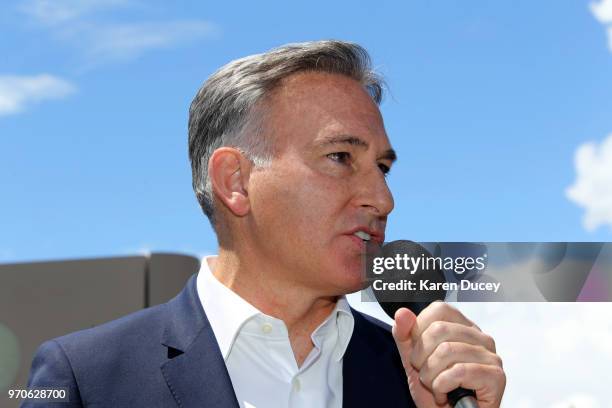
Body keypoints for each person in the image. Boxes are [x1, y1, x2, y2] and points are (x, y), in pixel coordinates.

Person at [23, 40, 505, 408]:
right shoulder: (85, 378)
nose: (383, 198)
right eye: (340, 157)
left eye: (383, 167)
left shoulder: (418, 380)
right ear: (235, 180)